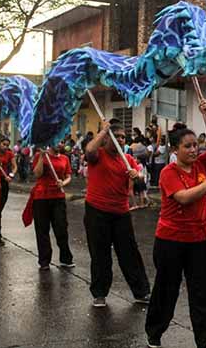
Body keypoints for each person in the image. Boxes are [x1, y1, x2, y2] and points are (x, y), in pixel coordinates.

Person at [145, 99, 206, 348]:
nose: (193, 150)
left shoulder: (201, 164)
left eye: (195, 145)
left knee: (202, 292)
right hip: (171, 241)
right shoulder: (169, 172)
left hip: (198, 240)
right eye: (187, 146)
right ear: (175, 149)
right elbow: (184, 198)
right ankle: (155, 332)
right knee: (166, 290)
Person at [84, 120, 151, 308]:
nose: (121, 139)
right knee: (100, 254)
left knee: (129, 253)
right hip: (97, 211)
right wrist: (103, 132)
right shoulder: (99, 154)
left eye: (123, 137)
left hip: (120, 212)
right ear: (107, 139)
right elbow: (89, 151)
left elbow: (140, 177)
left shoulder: (127, 159)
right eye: (117, 136)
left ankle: (141, 291)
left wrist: (135, 175)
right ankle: (99, 293)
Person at [26, 141, 74, 270]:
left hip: (58, 197)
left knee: (61, 228)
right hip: (41, 197)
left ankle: (66, 258)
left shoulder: (65, 158)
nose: (61, 144)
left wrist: (63, 183)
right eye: (58, 141)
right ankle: (44, 261)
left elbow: (69, 176)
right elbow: (37, 174)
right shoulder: (40, 155)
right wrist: (42, 157)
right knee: (42, 230)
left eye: (63, 142)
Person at [0, 136, 17, 242]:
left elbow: (14, 166)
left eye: (7, 145)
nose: (5, 147)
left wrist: (11, 175)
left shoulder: (9, 153)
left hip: (4, 181)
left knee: (0, 208)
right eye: (3, 144)